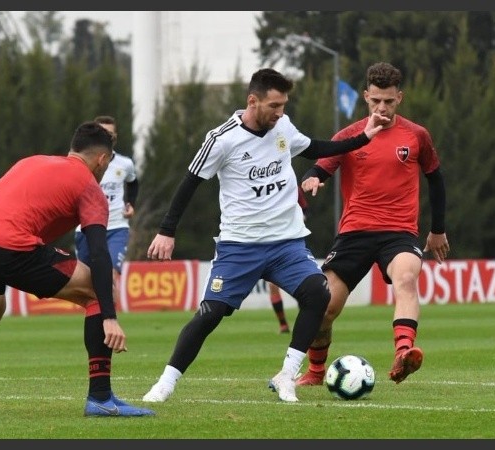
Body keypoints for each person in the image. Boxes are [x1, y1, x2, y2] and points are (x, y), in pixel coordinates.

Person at [141, 67, 389, 404]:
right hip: (240, 246)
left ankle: (287, 375)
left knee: (318, 294)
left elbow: (316, 147)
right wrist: (166, 231)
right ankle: (165, 384)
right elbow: (190, 183)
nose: (280, 112)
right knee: (211, 313)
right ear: (252, 101)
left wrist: (364, 137)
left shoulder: (282, 127)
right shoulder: (222, 139)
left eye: (283, 105)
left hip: (286, 243)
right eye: (274, 105)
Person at [0, 121, 155, 417]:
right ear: (102, 159)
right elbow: (99, 254)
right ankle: (101, 397)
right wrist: (109, 316)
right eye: (108, 162)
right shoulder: (89, 188)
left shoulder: (31, 162)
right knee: (97, 291)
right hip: (7, 246)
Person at [295, 61, 449, 387]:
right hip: (355, 232)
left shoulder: (416, 135)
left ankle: (403, 352)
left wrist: (437, 229)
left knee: (406, 278)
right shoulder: (350, 136)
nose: (382, 108)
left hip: (399, 232)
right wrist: (312, 178)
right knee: (323, 307)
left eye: (389, 101)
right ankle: (316, 371)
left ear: (399, 98)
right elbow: (322, 166)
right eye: (376, 100)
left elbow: (435, 180)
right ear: (365, 96)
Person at [74, 115, 139, 305]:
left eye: (110, 134)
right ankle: (97, 319)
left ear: (115, 137)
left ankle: (110, 319)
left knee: (109, 275)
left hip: (116, 226)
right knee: (87, 283)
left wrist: (131, 203)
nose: (107, 137)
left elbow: (133, 182)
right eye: (103, 133)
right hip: (86, 228)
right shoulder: (83, 163)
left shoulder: (125, 164)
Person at [266, 186, 309, 334]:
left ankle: (304, 321)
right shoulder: (263, 189)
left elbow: (305, 210)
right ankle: (283, 324)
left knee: (302, 285)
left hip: (290, 242)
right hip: (270, 242)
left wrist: (299, 219)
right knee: (273, 285)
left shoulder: (290, 185)